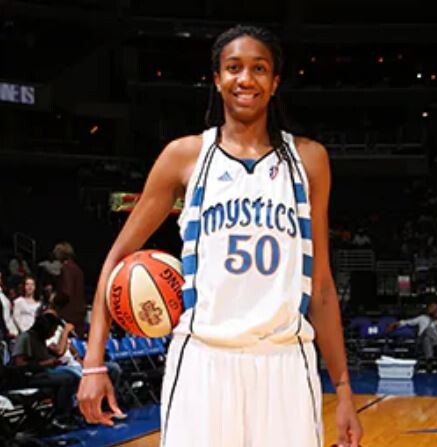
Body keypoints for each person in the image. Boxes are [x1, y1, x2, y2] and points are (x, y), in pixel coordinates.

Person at [77, 25, 362, 447]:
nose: (246, 79)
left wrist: (343, 388)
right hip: (202, 361)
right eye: (233, 67)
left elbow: (319, 286)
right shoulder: (185, 156)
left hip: (285, 360)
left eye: (259, 68)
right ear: (216, 78)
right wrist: (93, 363)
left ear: (275, 81)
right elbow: (118, 257)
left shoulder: (309, 160)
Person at [11, 312, 79, 430]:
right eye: (52, 330)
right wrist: (45, 363)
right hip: (27, 377)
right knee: (66, 379)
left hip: (43, 374)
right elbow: (19, 364)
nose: (53, 334)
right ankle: (61, 417)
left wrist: (54, 360)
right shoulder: (26, 338)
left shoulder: (40, 340)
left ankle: (68, 412)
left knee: (72, 375)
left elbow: (53, 354)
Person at [388, 302, 437, 372]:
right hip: (421, 341)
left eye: (434, 308)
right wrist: (395, 324)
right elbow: (408, 322)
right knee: (428, 330)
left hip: (433, 342)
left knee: (427, 339)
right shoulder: (422, 318)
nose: (431, 309)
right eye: (430, 308)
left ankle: (429, 361)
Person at [53, 242, 86, 338]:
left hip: (68, 313)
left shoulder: (66, 269)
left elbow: (66, 292)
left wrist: (54, 299)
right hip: (79, 313)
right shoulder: (78, 269)